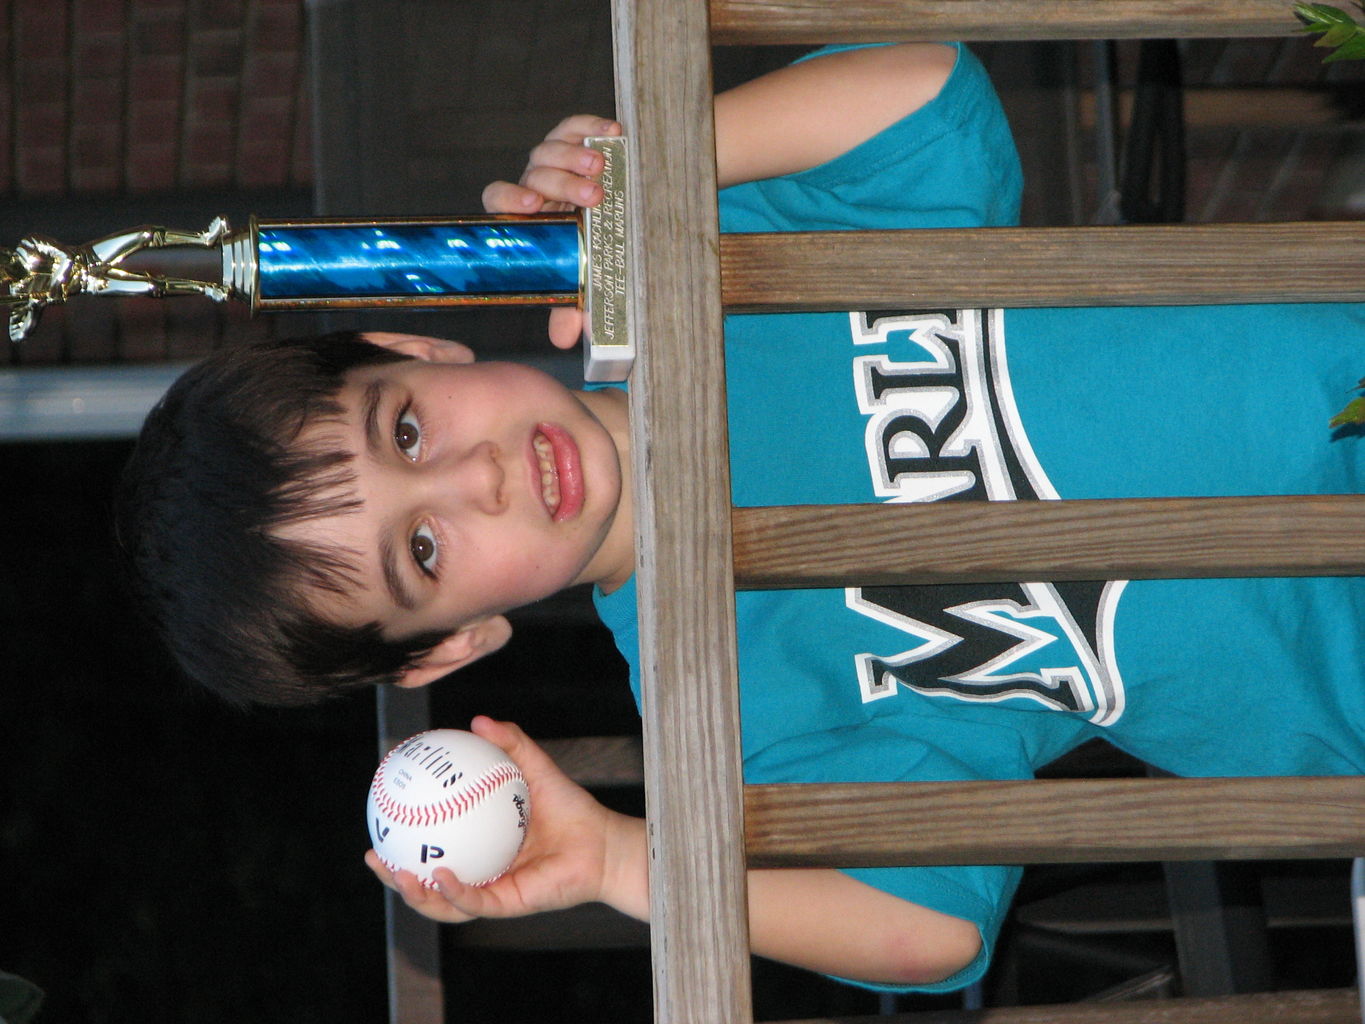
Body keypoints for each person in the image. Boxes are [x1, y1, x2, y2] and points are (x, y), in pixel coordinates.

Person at [115, 41, 1365, 996]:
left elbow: (933, 101)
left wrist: (655, 167)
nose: (477, 478)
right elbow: (934, 927)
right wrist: (621, 859)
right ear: (446, 647)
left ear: (419, 342)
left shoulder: (709, 262)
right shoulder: (724, 702)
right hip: (1337, 684)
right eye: (422, 552)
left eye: (405, 431)